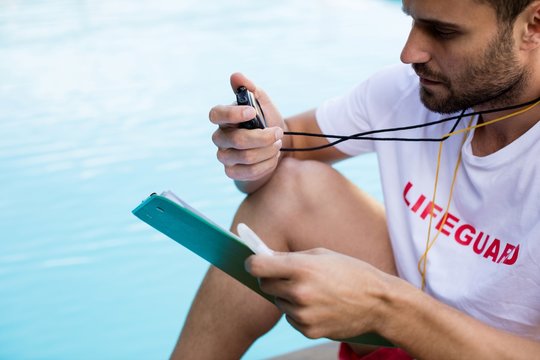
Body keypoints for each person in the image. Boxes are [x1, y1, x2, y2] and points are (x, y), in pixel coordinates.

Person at [171, 0, 540, 358]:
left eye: (443, 31)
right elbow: (288, 146)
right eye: (412, 19)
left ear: (533, 25)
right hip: (411, 327)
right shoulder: (411, 91)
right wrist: (256, 151)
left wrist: (385, 306)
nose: (410, 52)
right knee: (288, 189)